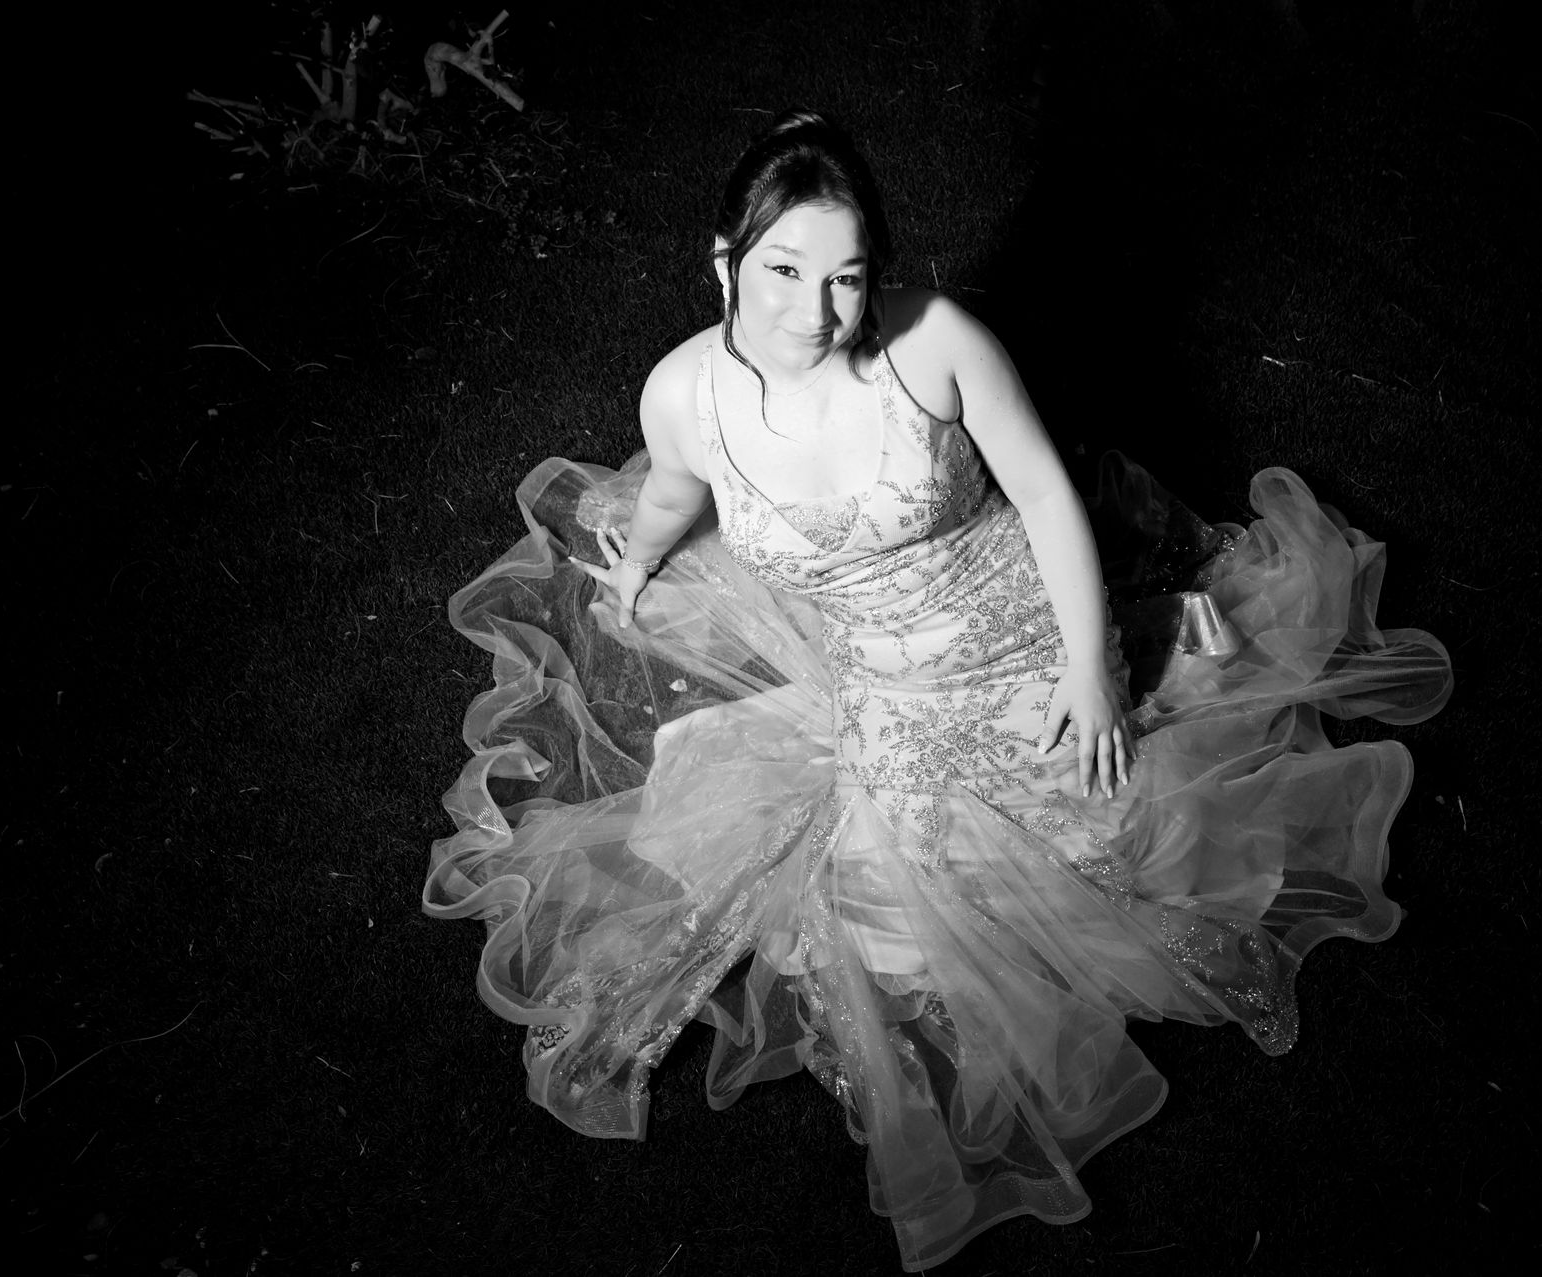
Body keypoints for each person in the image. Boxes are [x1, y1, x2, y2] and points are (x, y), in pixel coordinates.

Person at [426, 109, 1452, 1271]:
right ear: (723, 263)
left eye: (848, 277)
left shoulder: (939, 342)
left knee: (1126, 843)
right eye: (783, 272)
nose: (816, 311)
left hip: (1014, 622)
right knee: (900, 928)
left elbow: (1047, 496)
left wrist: (1090, 672)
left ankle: (1148, 633)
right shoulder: (682, 393)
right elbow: (671, 488)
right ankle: (1143, 641)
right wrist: (641, 562)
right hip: (880, 674)